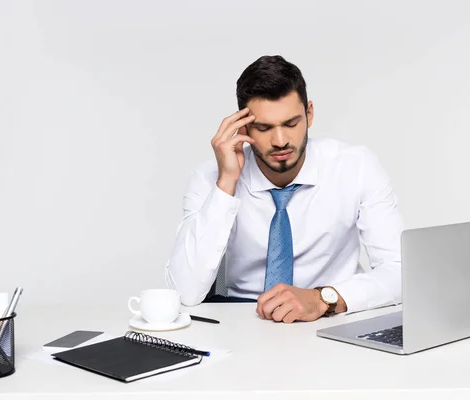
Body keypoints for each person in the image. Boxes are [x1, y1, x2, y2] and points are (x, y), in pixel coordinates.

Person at [165, 55, 404, 324]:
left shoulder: (356, 166)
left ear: (309, 114)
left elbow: (400, 271)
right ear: (243, 127)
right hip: (242, 323)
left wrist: (324, 298)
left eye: (291, 124)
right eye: (264, 128)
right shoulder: (210, 177)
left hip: (330, 318)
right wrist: (226, 183)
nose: (280, 141)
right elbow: (184, 292)